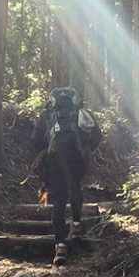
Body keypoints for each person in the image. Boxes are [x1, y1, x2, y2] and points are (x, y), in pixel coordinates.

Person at [33, 87, 103, 266]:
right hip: (77, 159)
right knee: (75, 188)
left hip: (54, 160)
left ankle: (60, 246)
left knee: (58, 201)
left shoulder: (47, 114)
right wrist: (85, 151)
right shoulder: (81, 113)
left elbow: (35, 140)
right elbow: (97, 136)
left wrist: (45, 152)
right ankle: (77, 225)